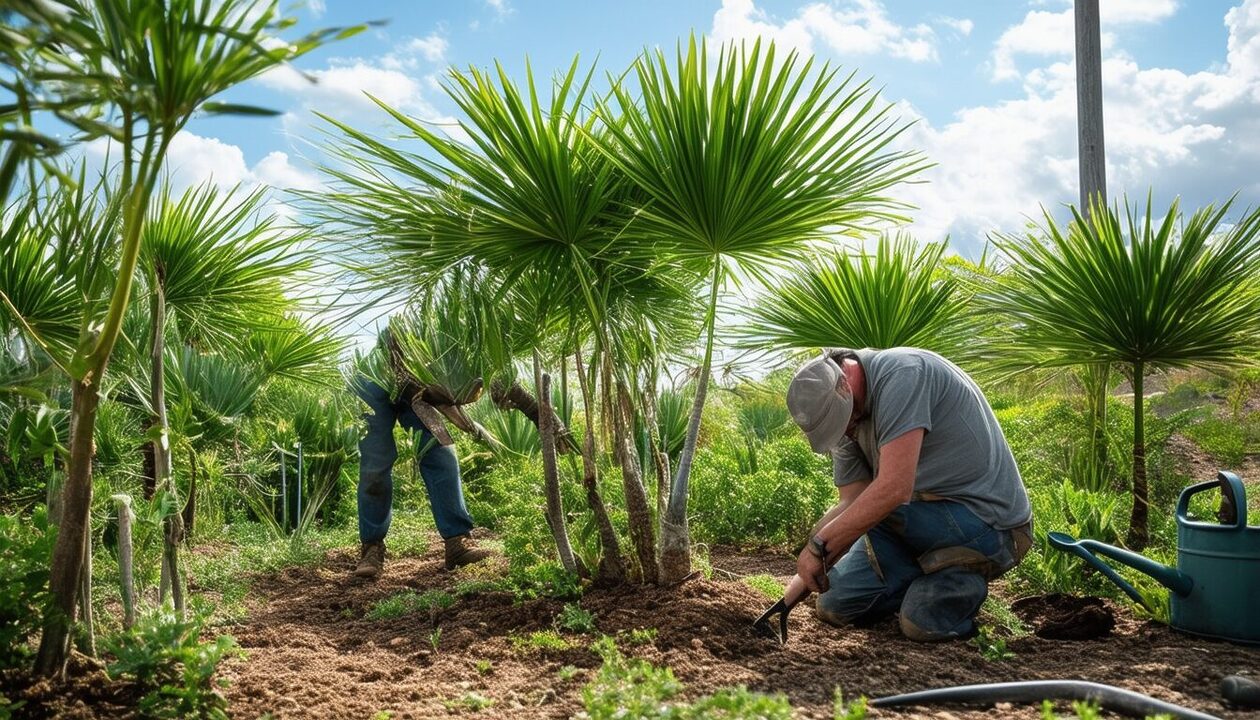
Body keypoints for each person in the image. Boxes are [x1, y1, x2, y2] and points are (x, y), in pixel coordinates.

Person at [786, 347, 1032, 641]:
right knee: (835, 605)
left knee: (924, 625)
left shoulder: (903, 374)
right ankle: (925, 578)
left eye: (845, 422)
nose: (848, 432)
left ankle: (962, 581)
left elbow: (893, 490)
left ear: (846, 385)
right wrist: (798, 584)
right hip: (916, 525)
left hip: (987, 525)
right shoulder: (844, 416)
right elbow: (851, 502)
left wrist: (819, 547)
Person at [352, 334, 492, 579]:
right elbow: (447, 405)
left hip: (416, 383)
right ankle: (371, 548)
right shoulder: (415, 350)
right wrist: (471, 427)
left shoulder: (448, 356)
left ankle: (457, 543)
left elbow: (447, 403)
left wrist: (473, 427)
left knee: (440, 451)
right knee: (375, 463)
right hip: (373, 382)